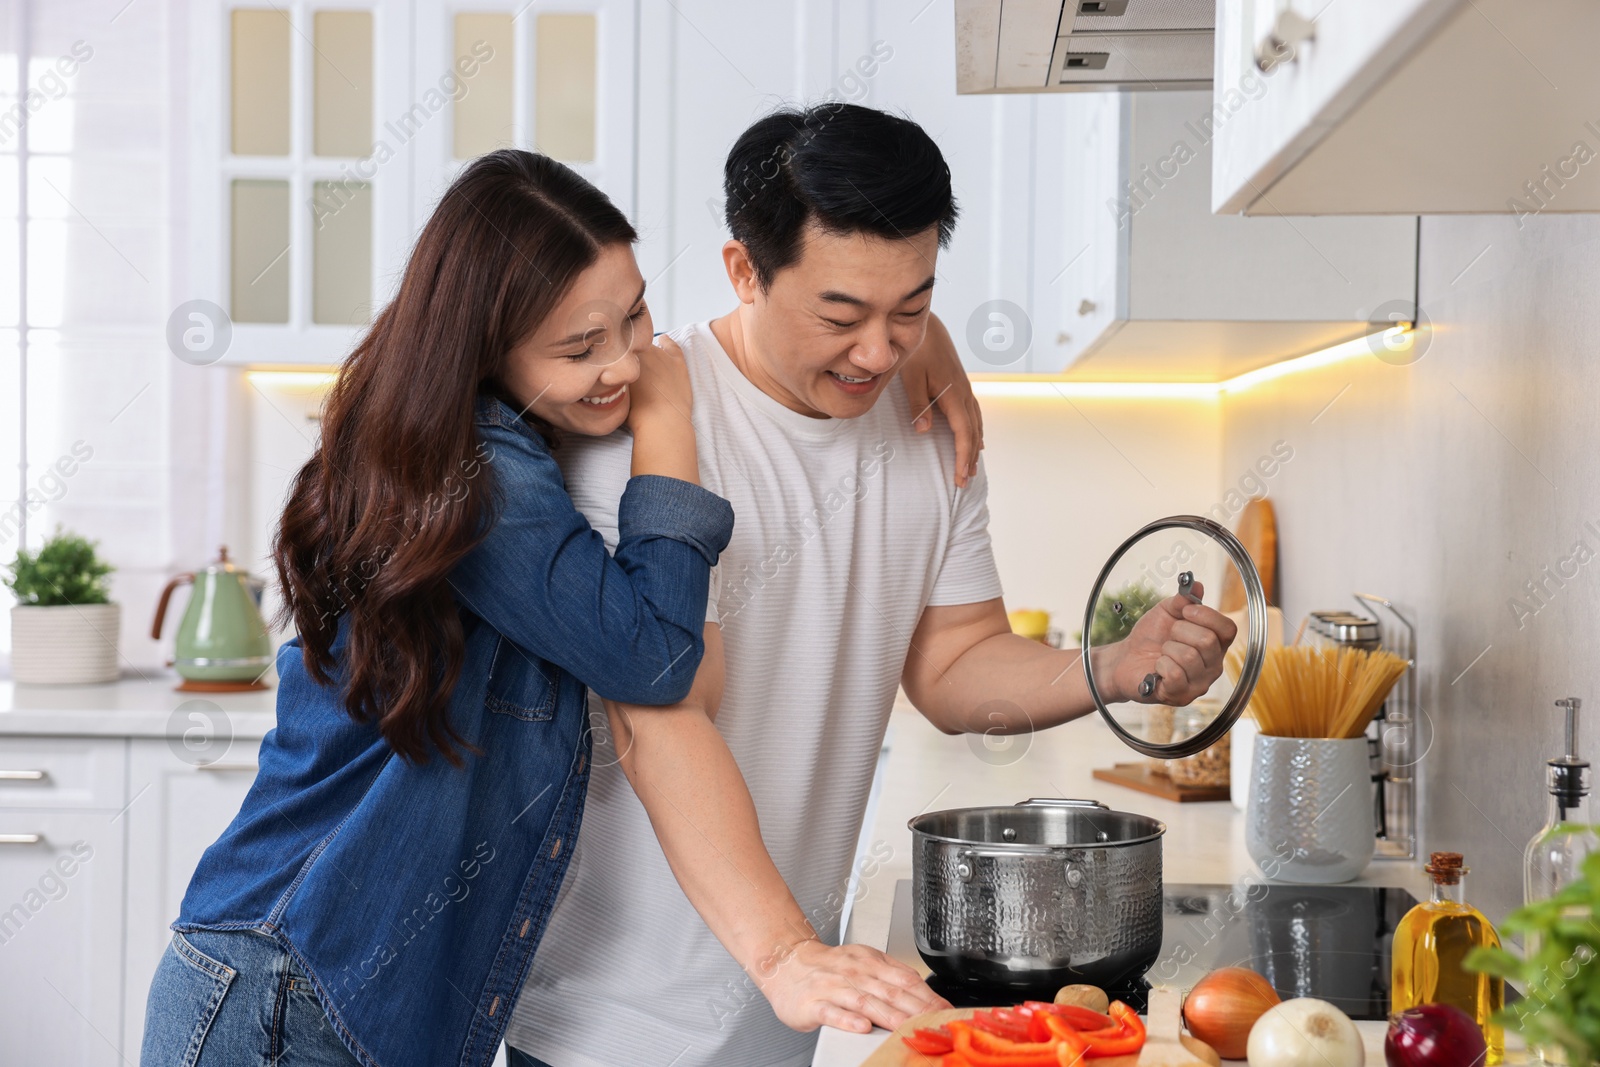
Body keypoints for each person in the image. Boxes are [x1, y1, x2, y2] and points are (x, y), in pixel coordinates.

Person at [503, 104, 1238, 1067]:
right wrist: (782, 949)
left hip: (791, 1001)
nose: (879, 354)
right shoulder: (648, 427)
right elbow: (660, 717)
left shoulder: (932, 422)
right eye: (841, 316)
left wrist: (1112, 666)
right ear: (743, 271)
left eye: (913, 310)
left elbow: (954, 662)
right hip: (613, 1020)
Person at [137, 150, 739, 1067]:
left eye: (636, 316)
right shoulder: (482, 474)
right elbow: (654, 656)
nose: (627, 361)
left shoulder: (470, 440)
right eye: (582, 348)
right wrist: (667, 426)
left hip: (322, 993)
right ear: (485, 347)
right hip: (285, 1000)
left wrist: (920, 343)